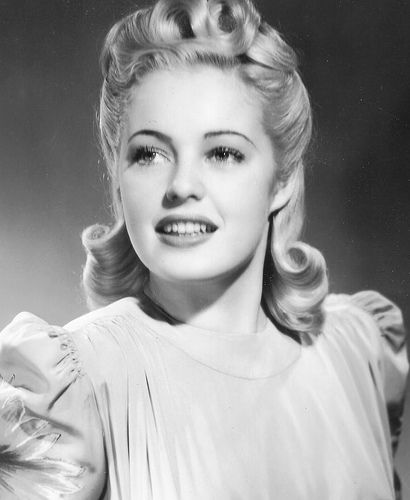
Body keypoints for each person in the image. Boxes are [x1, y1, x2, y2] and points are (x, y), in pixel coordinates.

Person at [0, 0, 407, 498]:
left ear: (281, 180)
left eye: (223, 153)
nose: (181, 186)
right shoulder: (77, 388)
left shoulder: (358, 348)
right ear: (118, 173)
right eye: (149, 153)